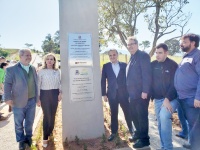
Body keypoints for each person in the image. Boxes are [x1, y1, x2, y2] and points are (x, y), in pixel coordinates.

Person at [3, 49, 38, 150]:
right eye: (27, 55)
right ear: (20, 57)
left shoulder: (33, 68)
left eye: (30, 55)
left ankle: (28, 138)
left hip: (32, 101)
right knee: (18, 123)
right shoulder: (11, 69)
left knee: (30, 122)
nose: (29, 57)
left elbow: (35, 84)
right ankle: (21, 141)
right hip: (17, 101)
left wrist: (37, 98)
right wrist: (7, 98)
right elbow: (7, 85)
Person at [174, 33, 200, 150]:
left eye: (184, 42)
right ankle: (191, 143)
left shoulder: (197, 56)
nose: (181, 44)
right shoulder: (186, 56)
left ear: (193, 43)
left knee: (195, 125)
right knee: (190, 123)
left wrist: (198, 97)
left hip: (191, 97)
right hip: (182, 97)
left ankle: (196, 146)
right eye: (181, 42)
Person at [101, 49, 133, 141]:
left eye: (114, 55)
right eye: (110, 55)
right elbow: (103, 81)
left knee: (127, 112)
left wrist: (130, 92)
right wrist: (104, 94)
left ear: (117, 55)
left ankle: (131, 129)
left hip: (124, 94)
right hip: (112, 94)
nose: (112, 57)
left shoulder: (124, 65)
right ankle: (114, 132)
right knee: (114, 114)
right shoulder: (106, 66)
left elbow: (128, 80)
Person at [151, 43, 178, 150]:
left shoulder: (173, 65)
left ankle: (168, 147)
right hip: (157, 100)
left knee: (164, 116)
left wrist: (167, 99)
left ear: (166, 53)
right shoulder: (153, 65)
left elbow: (174, 84)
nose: (157, 55)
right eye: (156, 53)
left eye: (160, 53)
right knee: (160, 124)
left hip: (171, 98)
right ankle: (163, 147)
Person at [126, 36, 151, 148]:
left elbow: (147, 74)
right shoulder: (132, 57)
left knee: (142, 116)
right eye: (128, 44)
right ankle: (138, 133)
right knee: (134, 115)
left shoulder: (143, 56)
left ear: (137, 44)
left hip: (141, 93)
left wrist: (145, 91)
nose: (130, 46)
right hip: (132, 93)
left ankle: (144, 139)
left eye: (132, 44)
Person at [37, 53, 61, 148]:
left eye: (52, 59)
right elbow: (38, 84)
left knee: (53, 114)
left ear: (54, 61)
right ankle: (45, 137)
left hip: (55, 94)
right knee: (47, 116)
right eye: (48, 59)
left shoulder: (57, 71)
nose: (50, 61)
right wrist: (38, 98)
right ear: (45, 61)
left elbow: (60, 83)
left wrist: (60, 93)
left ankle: (50, 132)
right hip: (45, 94)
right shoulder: (41, 71)